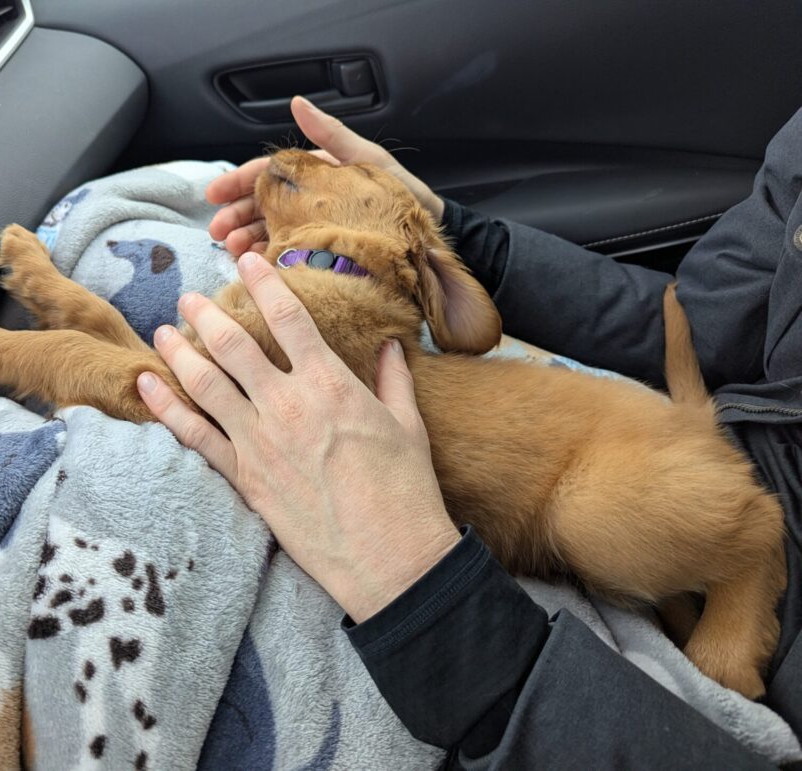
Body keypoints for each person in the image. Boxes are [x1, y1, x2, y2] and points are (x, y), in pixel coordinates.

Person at [132, 96, 802, 767]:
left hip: (532, 654)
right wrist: (452, 233)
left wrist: (432, 604)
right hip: (662, 484)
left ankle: (743, 556)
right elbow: (709, 323)